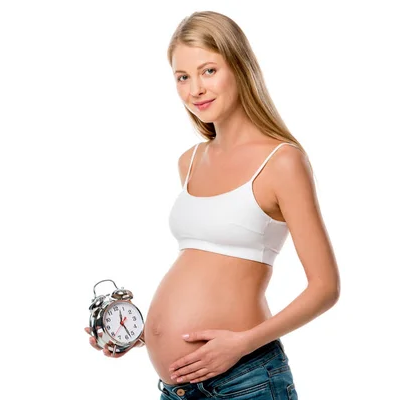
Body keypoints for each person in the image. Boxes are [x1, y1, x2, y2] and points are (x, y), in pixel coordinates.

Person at [84, 10, 340, 399]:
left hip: (245, 381)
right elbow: (205, 269)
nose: (195, 90)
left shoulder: (282, 161)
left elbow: (325, 288)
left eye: (208, 71)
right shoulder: (190, 161)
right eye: (182, 77)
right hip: (178, 387)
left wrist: (241, 343)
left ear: (239, 67)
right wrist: (136, 335)